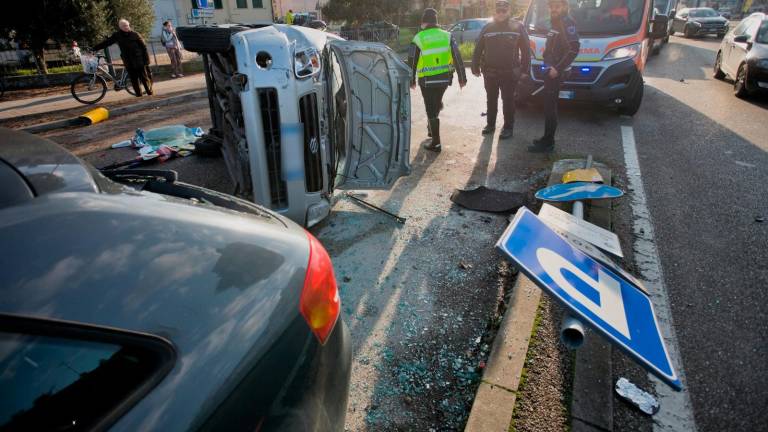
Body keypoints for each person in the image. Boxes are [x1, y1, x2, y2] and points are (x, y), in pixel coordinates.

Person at [408, 8, 467, 153]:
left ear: (424, 22)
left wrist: (411, 79)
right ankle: (432, 128)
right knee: (436, 103)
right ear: (436, 22)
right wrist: (462, 77)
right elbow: (456, 56)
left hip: (427, 81)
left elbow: (412, 60)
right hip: (443, 80)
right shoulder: (447, 36)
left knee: (430, 108)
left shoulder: (418, 37)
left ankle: (436, 142)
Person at [472, 0, 531, 140]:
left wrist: (525, 70)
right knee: (491, 100)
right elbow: (478, 48)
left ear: (508, 11)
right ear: (495, 11)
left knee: (508, 101)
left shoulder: (518, 27)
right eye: (498, 11)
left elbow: (526, 50)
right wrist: (475, 66)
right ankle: (490, 125)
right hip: (490, 72)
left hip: (510, 73)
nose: (501, 13)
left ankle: (508, 127)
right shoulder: (487, 28)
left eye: (504, 11)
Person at [529, 0, 579, 153]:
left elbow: (574, 48)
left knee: (550, 108)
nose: (554, 9)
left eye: (557, 6)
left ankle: (548, 143)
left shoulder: (566, 22)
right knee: (548, 106)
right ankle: (546, 138)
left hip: (555, 72)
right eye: (551, 6)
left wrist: (557, 68)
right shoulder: (555, 22)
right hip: (550, 69)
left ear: (564, 7)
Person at [93, 19, 153, 96]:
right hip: (128, 60)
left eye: (127, 25)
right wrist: (94, 48)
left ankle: (149, 93)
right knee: (133, 79)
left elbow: (144, 48)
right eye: (124, 26)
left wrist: (147, 60)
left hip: (139, 60)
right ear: (120, 27)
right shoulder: (117, 35)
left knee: (144, 78)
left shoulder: (135, 34)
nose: (126, 27)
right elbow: (107, 43)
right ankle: (139, 95)